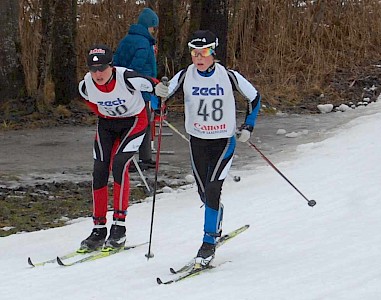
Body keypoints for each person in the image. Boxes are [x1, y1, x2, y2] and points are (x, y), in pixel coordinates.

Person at [154, 30, 261, 268]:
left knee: (213, 189)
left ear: (213, 53)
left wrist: (248, 127)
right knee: (204, 193)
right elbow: (158, 103)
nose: (198, 58)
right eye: (194, 53)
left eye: (203, 53)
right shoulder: (184, 76)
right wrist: (157, 97)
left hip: (223, 141)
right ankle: (216, 217)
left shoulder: (229, 76)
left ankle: (208, 242)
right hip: (197, 141)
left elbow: (254, 98)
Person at [78, 44, 164, 252]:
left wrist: (158, 101)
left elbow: (154, 86)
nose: (98, 74)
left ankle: (119, 227)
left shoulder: (127, 77)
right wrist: (104, 112)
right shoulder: (86, 85)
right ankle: (99, 228)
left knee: (119, 165)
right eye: (93, 69)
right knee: (99, 170)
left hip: (134, 122)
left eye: (102, 69)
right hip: (107, 125)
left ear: (111, 67)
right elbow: (88, 100)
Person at [113, 7, 159, 171]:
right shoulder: (143, 43)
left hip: (125, 88)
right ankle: (137, 158)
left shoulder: (126, 40)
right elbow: (136, 68)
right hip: (140, 89)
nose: (154, 31)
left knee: (135, 122)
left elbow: (116, 62)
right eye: (154, 27)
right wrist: (140, 84)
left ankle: (141, 157)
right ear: (149, 26)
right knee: (142, 123)